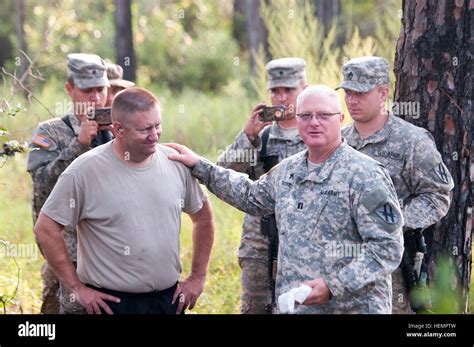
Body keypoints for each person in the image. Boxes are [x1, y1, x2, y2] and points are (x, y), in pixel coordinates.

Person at [166, 85, 404, 314]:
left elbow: (387, 247)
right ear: (296, 119)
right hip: (297, 306)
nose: (314, 123)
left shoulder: (365, 174)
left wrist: (333, 285)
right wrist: (200, 165)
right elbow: (251, 196)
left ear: (340, 119)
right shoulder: (289, 170)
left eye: (323, 115)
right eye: (305, 115)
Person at [34, 87, 215, 314]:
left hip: (166, 302)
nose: (155, 135)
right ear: (118, 129)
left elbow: (203, 217)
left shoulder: (175, 163)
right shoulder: (84, 171)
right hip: (110, 305)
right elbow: (46, 228)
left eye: (157, 125)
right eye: (145, 129)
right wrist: (77, 288)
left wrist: (197, 277)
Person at [336, 56, 454, 313]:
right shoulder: (338, 141)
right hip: (340, 265)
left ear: (382, 93)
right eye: (348, 92)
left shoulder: (411, 141)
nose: (352, 100)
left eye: (360, 93)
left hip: (393, 270)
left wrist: (393, 221)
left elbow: (438, 196)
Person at [217, 57, 307, 314]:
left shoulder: (316, 132)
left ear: (304, 88)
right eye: (275, 91)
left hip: (305, 246)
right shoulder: (262, 136)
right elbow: (225, 174)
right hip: (260, 245)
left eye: (288, 90)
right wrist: (247, 136)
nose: (281, 98)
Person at [27, 53, 112, 314]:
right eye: (87, 90)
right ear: (70, 89)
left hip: (112, 250)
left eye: (101, 89)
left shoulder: (117, 130)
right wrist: (79, 145)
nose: (95, 98)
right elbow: (42, 185)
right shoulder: (49, 132)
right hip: (69, 254)